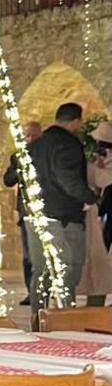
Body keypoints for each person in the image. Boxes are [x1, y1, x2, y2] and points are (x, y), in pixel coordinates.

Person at [25, 102, 99, 317]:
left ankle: (38, 317)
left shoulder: (35, 145)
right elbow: (67, 179)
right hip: (63, 218)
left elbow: (11, 176)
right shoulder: (68, 144)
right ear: (75, 121)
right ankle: (65, 318)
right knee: (67, 269)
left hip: (35, 216)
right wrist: (91, 198)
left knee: (41, 271)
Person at [1, 120, 43, 305]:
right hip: (27, 212)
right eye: (27, 135)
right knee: (29, 257)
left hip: (46, 210)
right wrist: (20, 168)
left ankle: (44, 293)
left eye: (34, 135)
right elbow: (8, 180)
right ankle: (31, 292)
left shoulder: (46, 154)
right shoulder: (18, 157)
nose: (30, 139)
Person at [78, 121, 112, 306]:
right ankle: (95, 302)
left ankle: (96, 302)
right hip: (102, 216)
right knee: (98, 261)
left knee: (100, 261)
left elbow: (102, 180)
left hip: (105, 216)